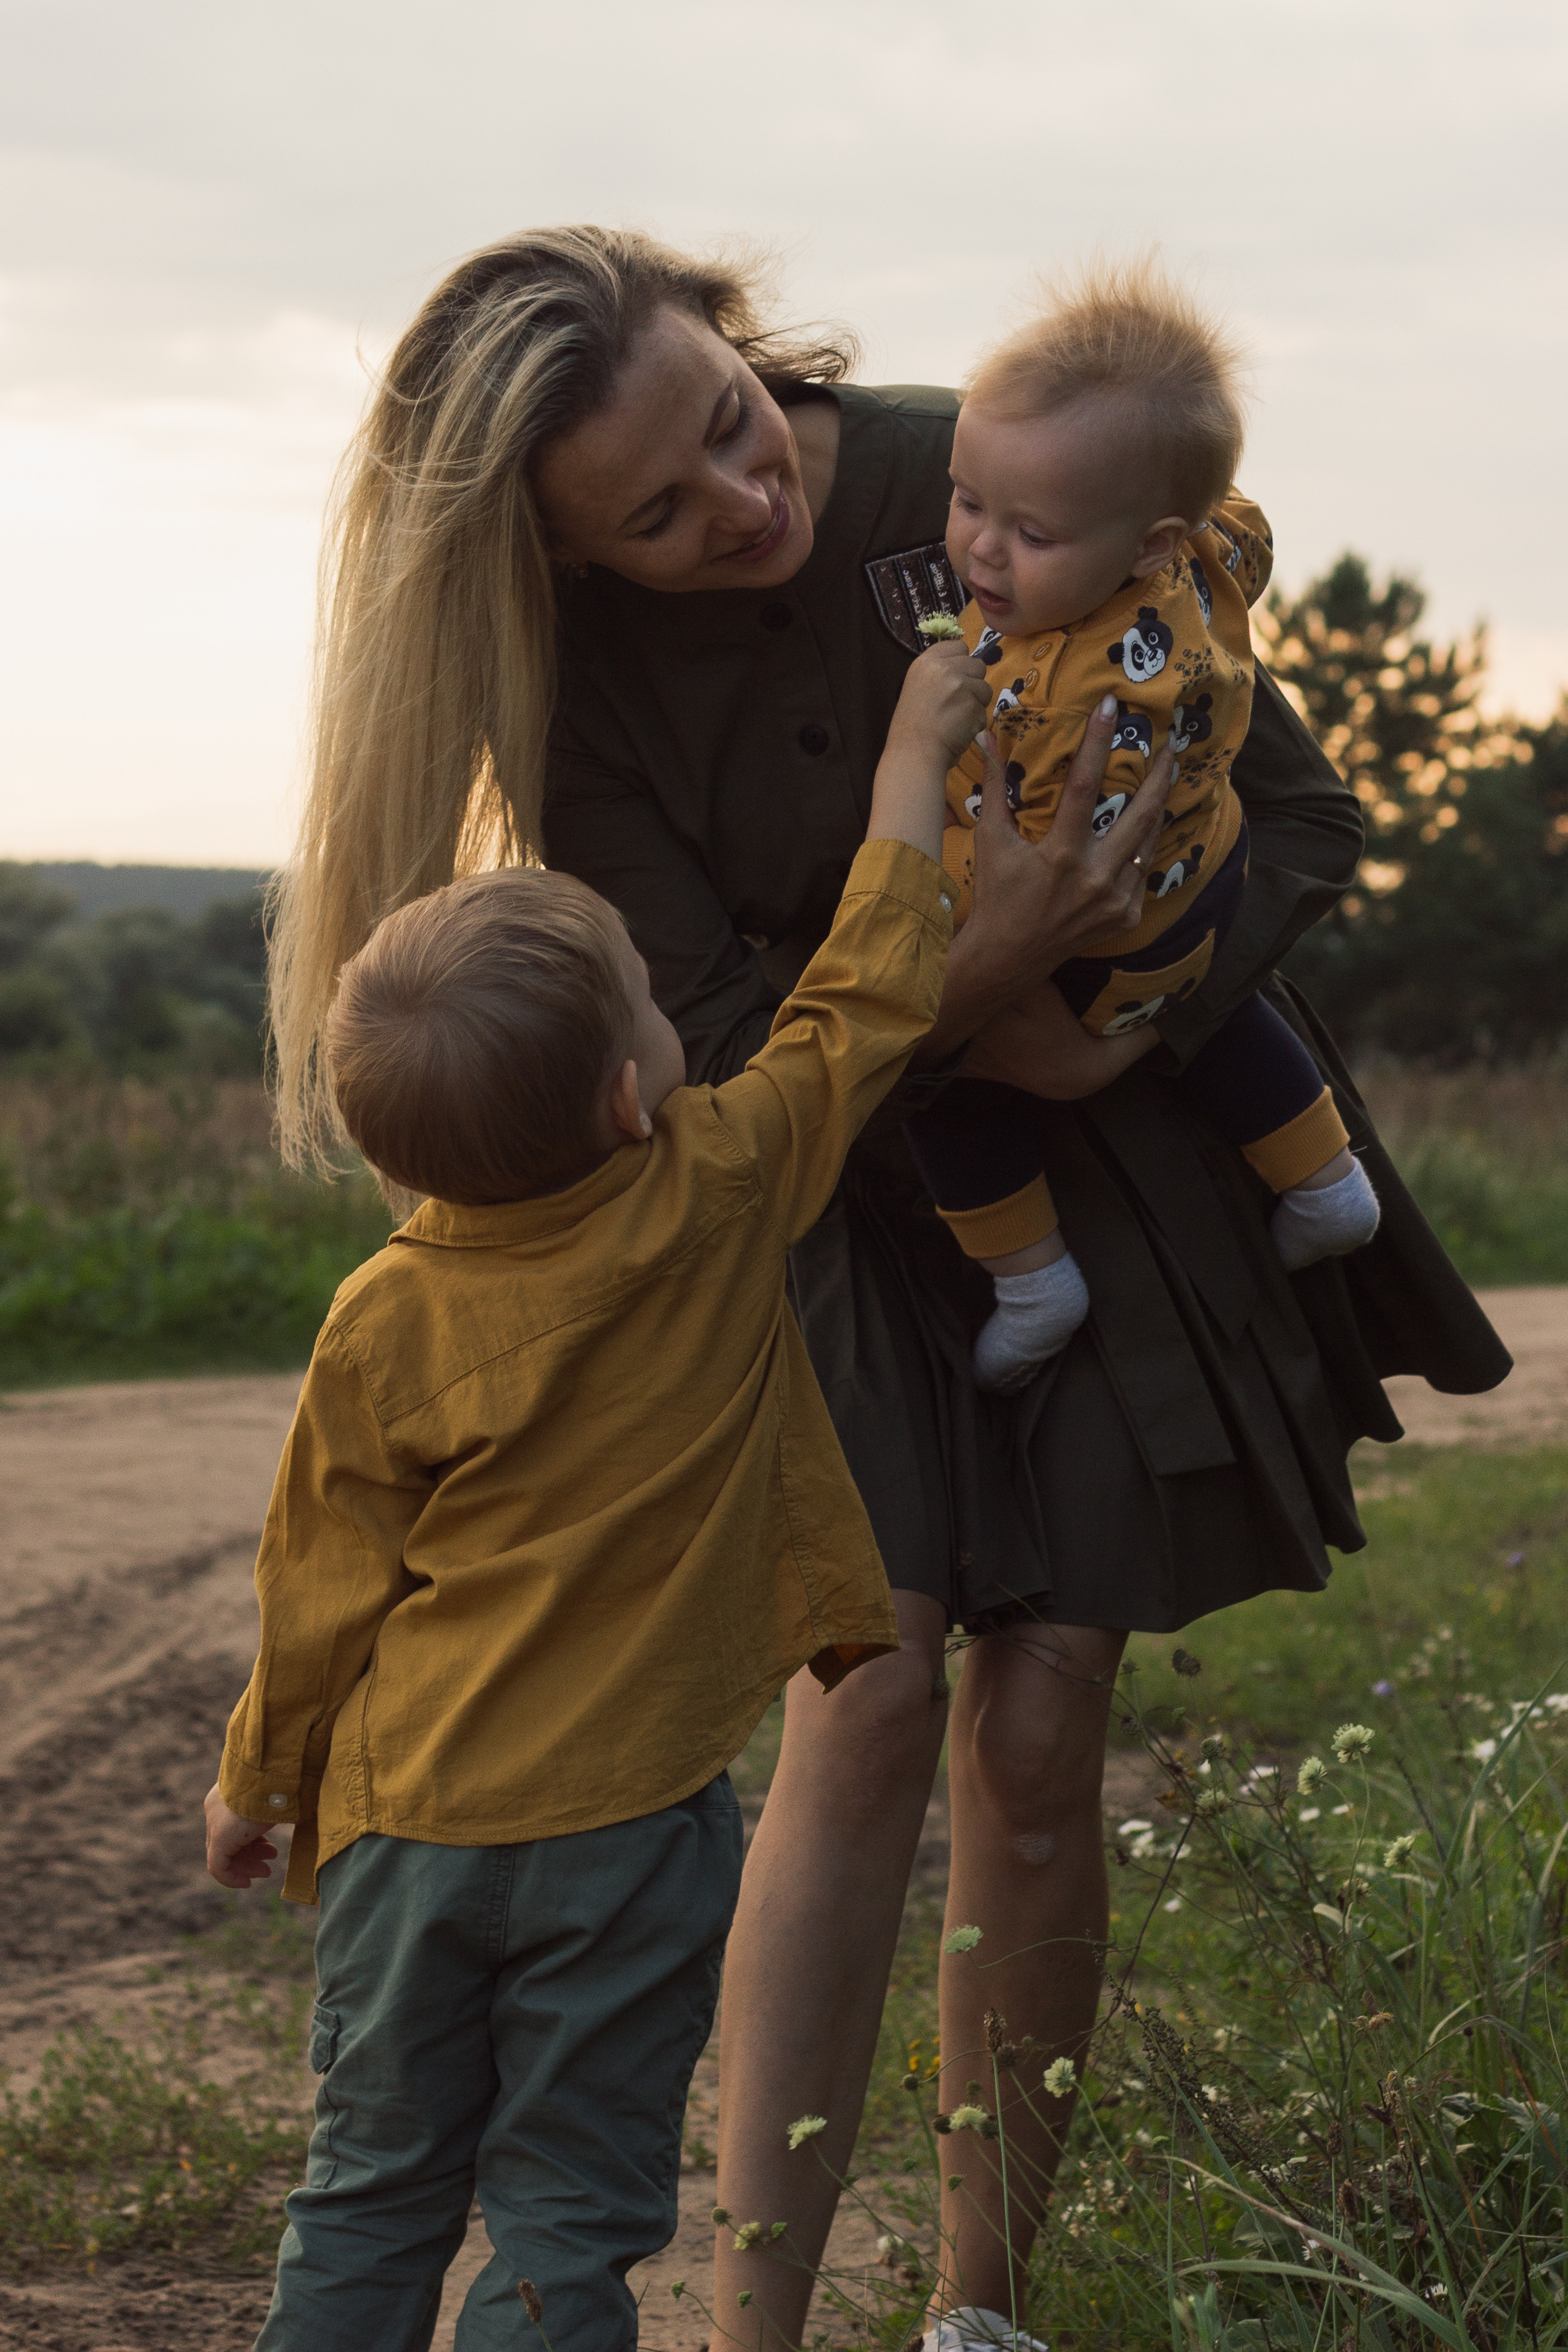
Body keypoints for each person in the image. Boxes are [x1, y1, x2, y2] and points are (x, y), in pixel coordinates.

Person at [266, 227, 1509, 2351]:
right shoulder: (569, 701)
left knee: (1041, 1715)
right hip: (823, 1201)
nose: (736, 506)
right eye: (655, 512)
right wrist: (984, 972)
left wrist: (1112, 1025)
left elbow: (1280, 811)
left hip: (1107, 1161)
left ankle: (978, 2308)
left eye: (733, 433)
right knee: (860, 1699)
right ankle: (755, 2318)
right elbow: (731, 1042)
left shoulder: (997, 467)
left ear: (745, 347)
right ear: (556, 554)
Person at [203, 634, 1071, 2350]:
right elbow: (862, 998)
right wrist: (911, 758)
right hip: (624, 1835)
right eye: (648, 1005)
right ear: (627, 1094)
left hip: (406, 1833)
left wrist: (262, 1779)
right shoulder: (720, 1185)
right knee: (567, 2211)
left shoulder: (380, 1315)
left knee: (369, 2184)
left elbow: (317, 1585)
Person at [904, 264, 1379, 1392]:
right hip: (1207, 872)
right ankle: (1322, 1180)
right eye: (969, 501)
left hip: (1093, 926)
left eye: (1032, 533)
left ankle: (1030, 1277)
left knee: (947, 1074)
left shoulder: (1054, 703)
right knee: (1218, 1007)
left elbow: (1006, 851)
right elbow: (1243, 525)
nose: (980, 552)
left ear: (1147, 543)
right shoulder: (1212, 559)